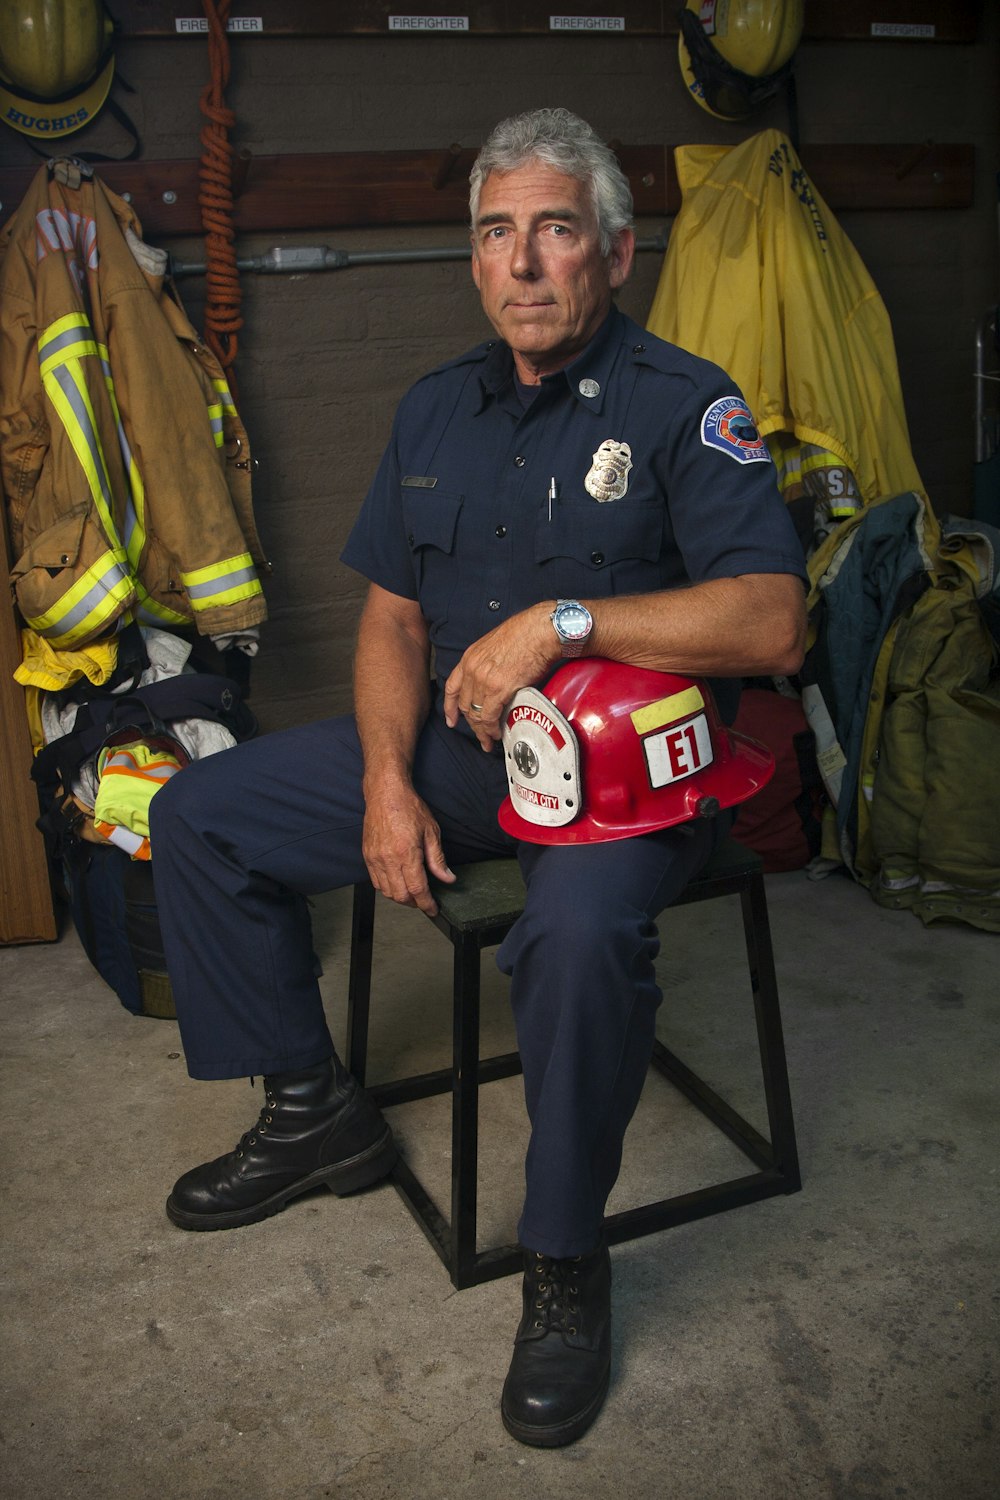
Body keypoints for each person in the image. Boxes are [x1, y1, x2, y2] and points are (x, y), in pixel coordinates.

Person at [149, 106, 808, 1449]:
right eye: (497, 234)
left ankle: (565, 1261)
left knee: (573, 938)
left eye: (555, 230)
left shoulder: (689, 406)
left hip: (624, 783)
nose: (524, 262)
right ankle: (310, 1106)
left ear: (615, 255)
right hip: (458, 759)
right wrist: (388, 782)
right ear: (474, 261)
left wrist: (563, 624)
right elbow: (393, 619)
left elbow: (773, 622)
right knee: (200, 813)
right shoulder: (434, 407)